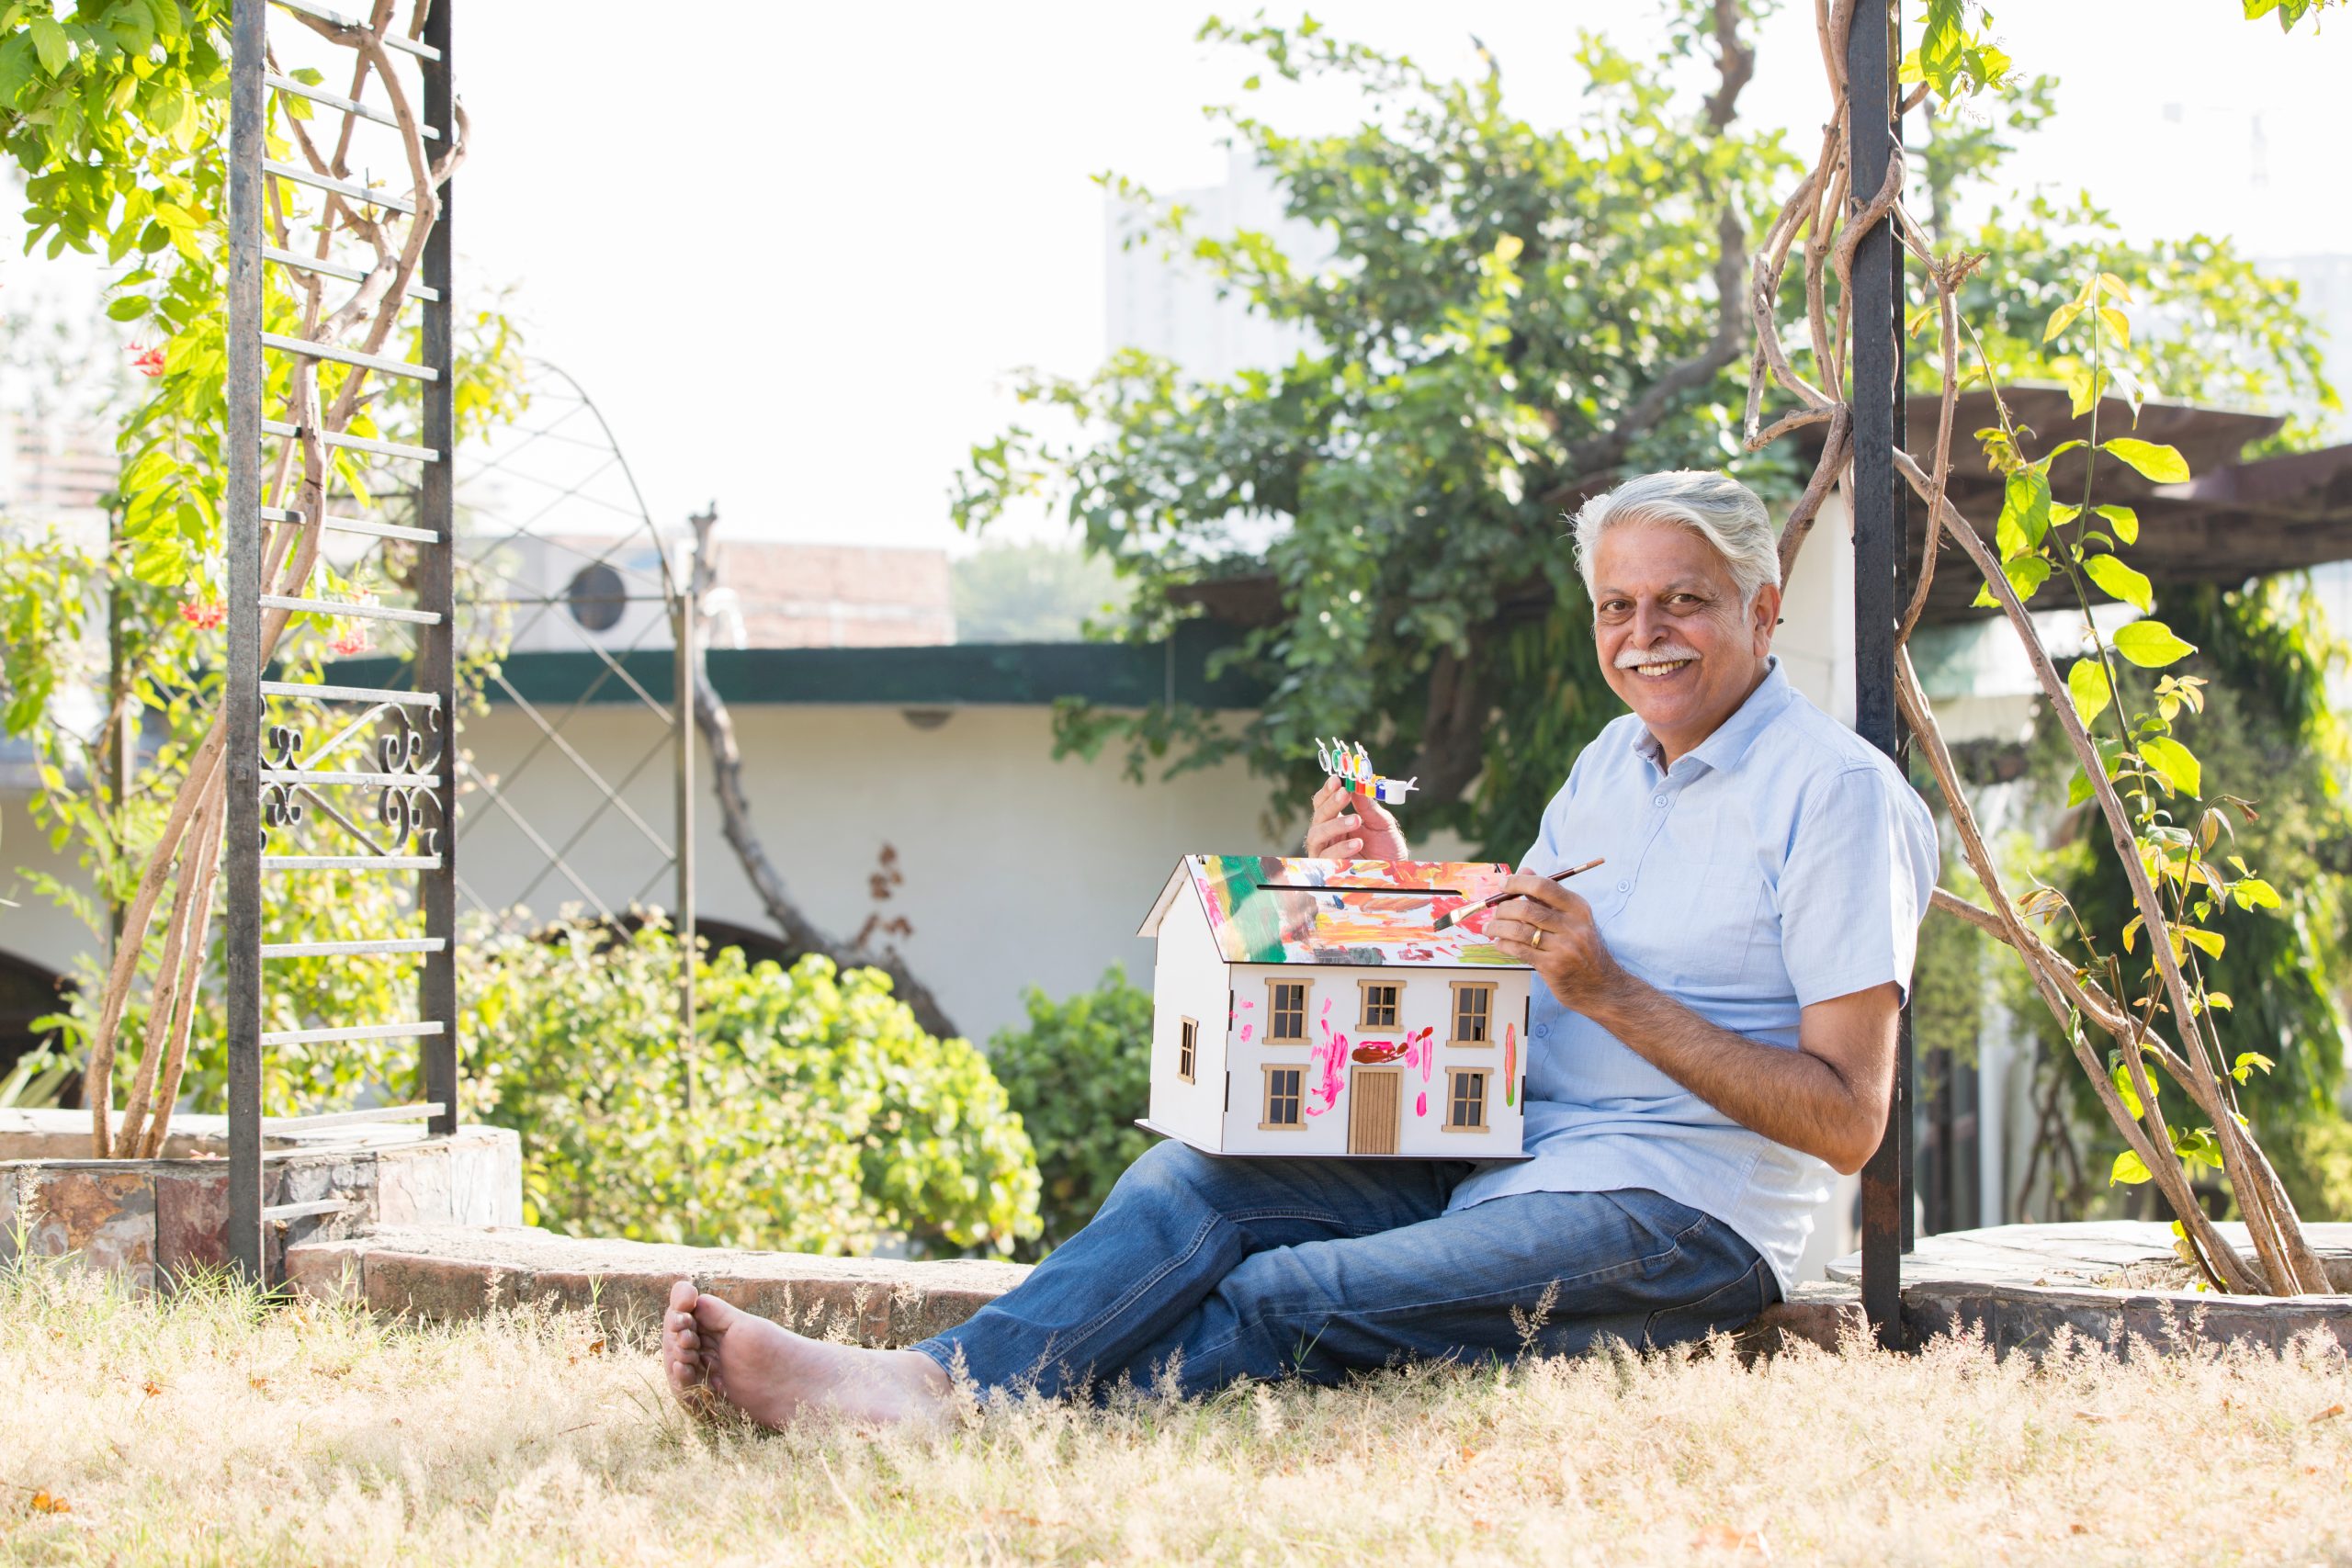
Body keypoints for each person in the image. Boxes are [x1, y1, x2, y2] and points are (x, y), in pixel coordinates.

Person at [662, 469, 1939, 1427]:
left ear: (1764, 609)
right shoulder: (1616, 760)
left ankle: (965, 1416)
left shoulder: (1837, 797)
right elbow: (1512, 953)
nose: (1644, 633)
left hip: (1684, 1213)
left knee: (1294, 1293)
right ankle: (928, 1390)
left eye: (1684, 602)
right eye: (1618, 604)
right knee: (1191, 1180)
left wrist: (1610, 992)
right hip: (1510, 1144)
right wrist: (1394, 888)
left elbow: (1845, 1121)